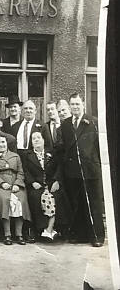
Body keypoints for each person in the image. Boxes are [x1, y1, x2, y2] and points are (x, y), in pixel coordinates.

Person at [60, 93, 104, 247]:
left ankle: (97, 236)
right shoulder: (65, 124)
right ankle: (80, 235)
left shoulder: (93, 122)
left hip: (90, 170)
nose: (75, 107)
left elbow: (100, 148)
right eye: (72, 104)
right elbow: (63, 148)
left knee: (94, 204)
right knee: (77, 204)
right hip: (72, 172)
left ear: (83, 104)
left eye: (78, 104)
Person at [21, 131, 71, 242]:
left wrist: (57, 181)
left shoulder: (52, 153)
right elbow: (25, 171)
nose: (36, 140)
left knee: (58, 196)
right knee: (35, 197)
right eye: (34, 138)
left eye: (39, 137)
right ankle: (42, 229)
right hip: (36, 185)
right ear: (31, 142)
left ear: (44, 140)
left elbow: (59, 167)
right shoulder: (27, 155)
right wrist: (32, 182)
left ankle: (55, 228)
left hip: (51, 183)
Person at [0, 134, 31, 245]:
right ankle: (7, 234)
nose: (1, 145)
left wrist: (17, 184)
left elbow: (20, 172)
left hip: (15, 182)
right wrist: (1, 183)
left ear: (7, 143)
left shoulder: (15, 156)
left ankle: (19, 234)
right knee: (4, 200)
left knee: (20, 199)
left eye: (3, 142)